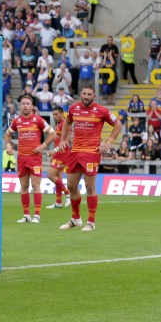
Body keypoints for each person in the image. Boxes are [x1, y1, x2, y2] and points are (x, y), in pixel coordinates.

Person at [57, 85, 123, 231]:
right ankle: (75, 219)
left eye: (89, 94)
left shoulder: (101, 110)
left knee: (89, 187)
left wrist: (108, 142)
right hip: (75, 152)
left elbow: (118, 124)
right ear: (80, 94)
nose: (86, 96)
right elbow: (67, 122)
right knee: (71, 186)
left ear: (94, 96)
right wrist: (63, 140)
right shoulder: (74, 108)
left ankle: (91, 223)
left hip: (91, 153)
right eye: (84, 93)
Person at [4, 94, 57, 223]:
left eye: (28, 103)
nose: (25, 106)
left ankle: (37, 215)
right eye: (23, 103)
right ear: (20, 106)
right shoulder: (17, 121)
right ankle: (26, 215)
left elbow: (53, 134)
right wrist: (8, 146)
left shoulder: (38, 120)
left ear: (32, 106)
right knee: (23, 186)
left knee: (35, 185)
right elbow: (7, 134)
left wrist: (43, 145)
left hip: (35, 158)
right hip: (22, 158)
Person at [46, 106, 72, 209]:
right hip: (58, 154)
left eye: (56, 114)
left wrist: (54, 151)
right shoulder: (58, 125)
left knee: (50, 175)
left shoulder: (65, 124)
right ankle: (58, 202)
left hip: (63, 154)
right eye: (53, 115)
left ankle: (67, 193)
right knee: (58, 178)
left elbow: (66, 142)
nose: (54, 116)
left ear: (62, 114)